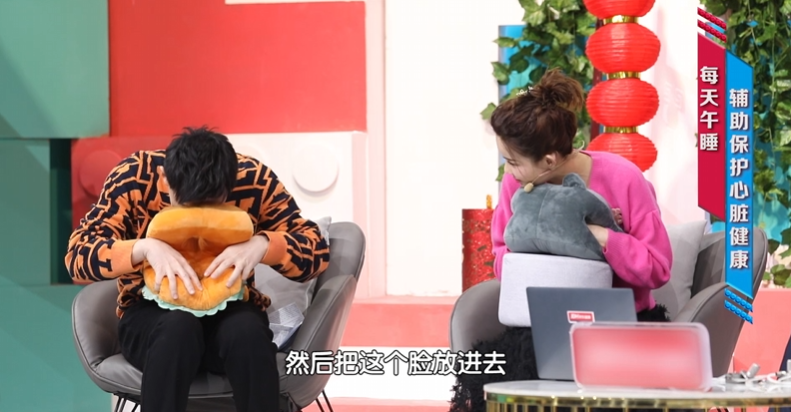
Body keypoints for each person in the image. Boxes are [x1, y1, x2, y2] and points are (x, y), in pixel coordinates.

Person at [449, 69, 673, 412]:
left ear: (549, 160)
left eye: (513, 162)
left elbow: (657, 268)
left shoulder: (624, 178)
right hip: (541, 330)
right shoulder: (517, 185)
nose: (508, 171)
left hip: (621, 328)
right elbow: (502, 257)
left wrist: (602, 236)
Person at [65, 127, 330, 412]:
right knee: (178, 329)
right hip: (151, 317)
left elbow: (315, 251)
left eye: (212, 207)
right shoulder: (134, 177)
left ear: (231, 184)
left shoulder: (254, 179)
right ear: (165, 179)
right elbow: (77, 255)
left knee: (248, 334)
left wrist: (264, 244)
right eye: (187, 207)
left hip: (231, 310)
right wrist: (143, 248)